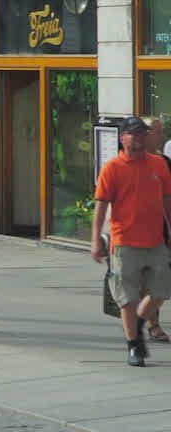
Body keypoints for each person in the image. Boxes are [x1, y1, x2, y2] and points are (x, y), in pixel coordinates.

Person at [93, 116, 171, 367]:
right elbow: (101, 208)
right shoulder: (112, 168)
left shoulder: (159, 164)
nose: (139, 138)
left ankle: (136, 324)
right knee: (127, 299)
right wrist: (96, 240)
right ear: (123, 137)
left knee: (161, 291)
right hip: (124, 242)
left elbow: (167, 202)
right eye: (134, 134)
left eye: (142, 134)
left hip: (155, 241)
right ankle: (134, 345)